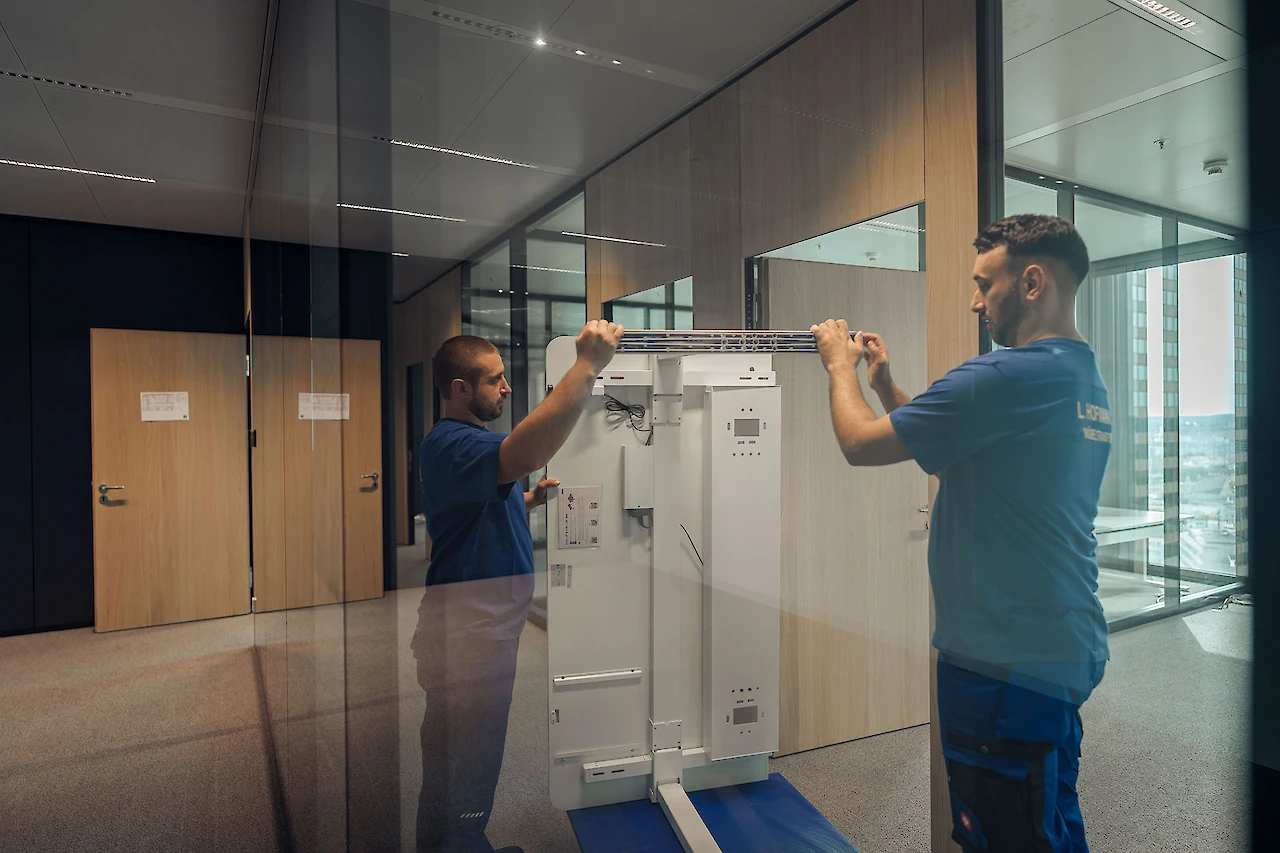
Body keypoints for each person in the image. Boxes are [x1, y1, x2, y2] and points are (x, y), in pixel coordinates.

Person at [810, 214, 1110, 853]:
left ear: (1031, 282)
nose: (975, 301)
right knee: (1049, 815)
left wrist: (838, 367)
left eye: (983, 283)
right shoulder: (1081, 376)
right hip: (1060, 642)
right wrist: (886, 386)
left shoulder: (1006, 376)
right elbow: (947, 453)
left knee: (1003, 835)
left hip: (1004, 658)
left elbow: (860, 446)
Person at [412, 321, 624, 853]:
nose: (506, 388)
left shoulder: (469, 447)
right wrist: (586, 366)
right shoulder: (451, 444)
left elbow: (477, 505)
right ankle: (462, 843)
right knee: (471, 762)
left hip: (473, 630)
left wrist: (527, 501)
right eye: (496, 380)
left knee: (451, 758)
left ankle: (446, 844)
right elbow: (523, 454)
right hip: (471, 637)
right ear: (460, 389)